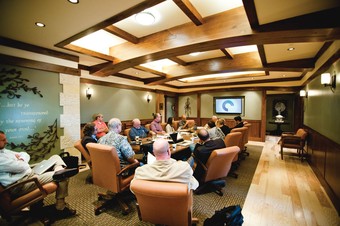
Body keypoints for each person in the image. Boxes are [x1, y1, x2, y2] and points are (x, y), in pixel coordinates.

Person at [0, 131, 78, 217]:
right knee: (64, 176)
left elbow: (25, 154)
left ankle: (59, 170)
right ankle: (60, 207)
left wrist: (21, 159)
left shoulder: (3, 151)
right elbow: (22, 167)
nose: (6, 142)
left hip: (29, 174)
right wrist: (22, 162)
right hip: (21, 184)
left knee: (55, 157)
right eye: (3, 140)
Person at [132, 139, 198, 191]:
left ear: (153, 153)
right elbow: (195, 184)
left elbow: (133, 189)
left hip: (150, 206)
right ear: (169, 151)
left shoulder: (140, 171)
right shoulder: (184, 168)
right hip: (178, 205)